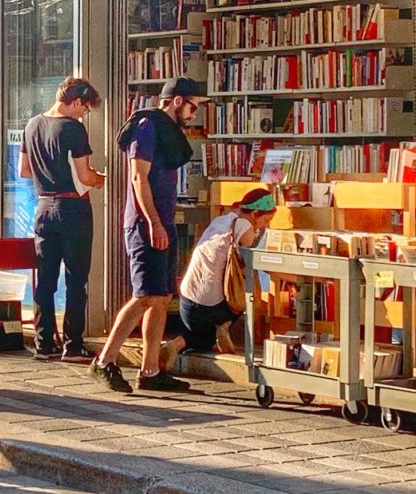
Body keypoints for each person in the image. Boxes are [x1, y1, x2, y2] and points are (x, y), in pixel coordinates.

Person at [89, 77, 209, 392]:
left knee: (162, 297)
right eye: (193, 105)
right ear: (177, 100)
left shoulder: (168, 130)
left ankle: (151, 370)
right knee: (145, 296)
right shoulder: (147, 126)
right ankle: (104, 361)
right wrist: (153, 222)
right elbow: (138, 178)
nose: (195, 113)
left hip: (163, 220)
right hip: (145, 224)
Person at [19, 77, 105, 362]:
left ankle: (44, 343)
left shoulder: (31, 125)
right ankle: (73, 344)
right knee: (76, 279)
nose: (84, 114)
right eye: (85, 108)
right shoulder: (73, 129)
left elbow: (24, 171)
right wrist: (103, 179)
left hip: (43, 207)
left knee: (45, 279)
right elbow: (85, 176)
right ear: (77, 101)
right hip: (73, 208)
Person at [158, 189, 276, 365]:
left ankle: (176, 345)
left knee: (203, 339)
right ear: (255, 213)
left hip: (186, 303)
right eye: (265, 221)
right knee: (246, 298)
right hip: (211, 309)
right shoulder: (245, 228)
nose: (264, 226)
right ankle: (223, 326)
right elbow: (251, 262)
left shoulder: (221, 220)